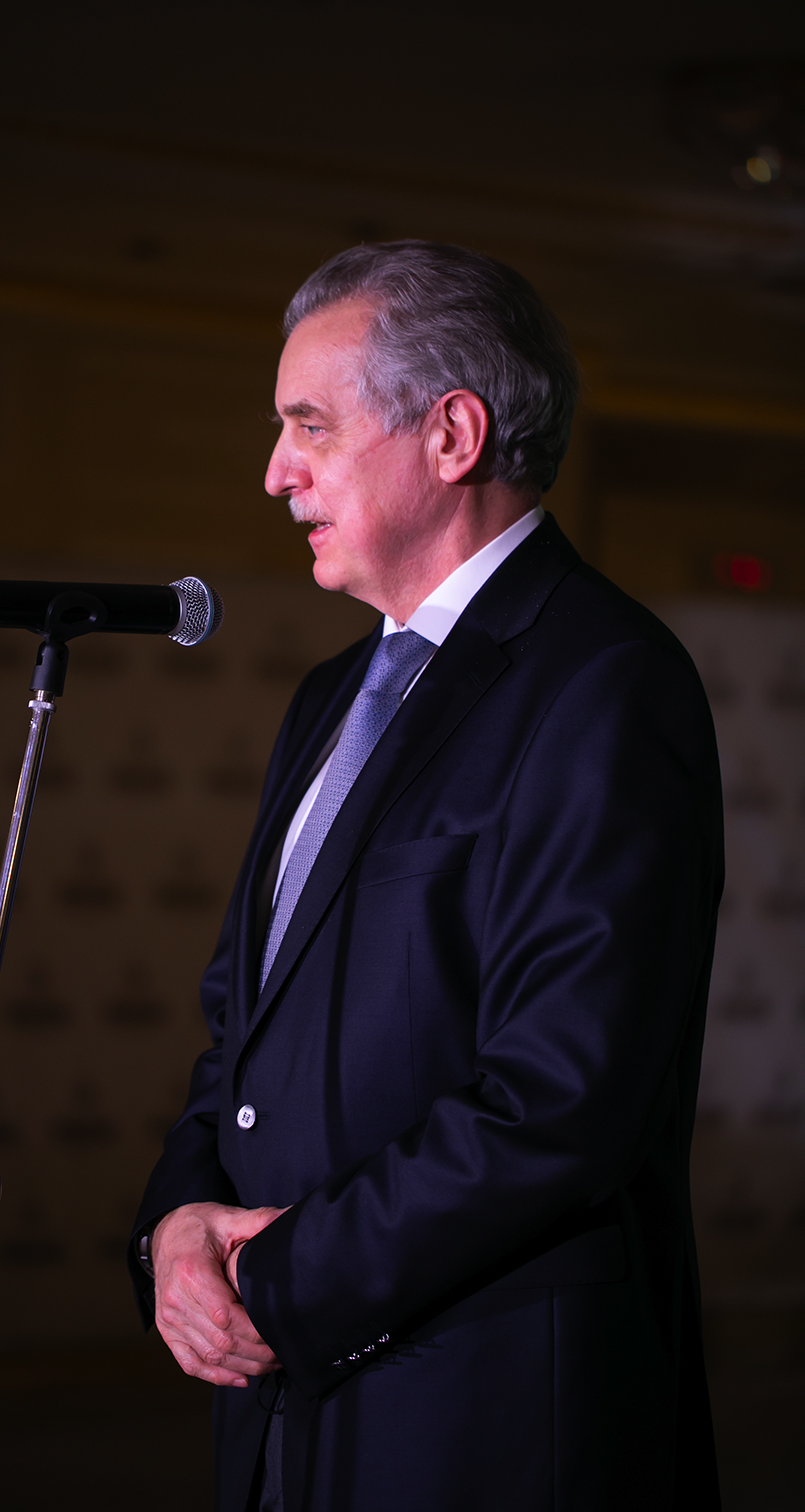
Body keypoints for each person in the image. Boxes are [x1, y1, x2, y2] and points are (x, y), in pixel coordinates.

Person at [129, 241, 724, 1511]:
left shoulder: (606, 684)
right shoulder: (328, 696)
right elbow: (243, 1030)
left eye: (311, 426)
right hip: (287, 1416)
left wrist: (277, 1283)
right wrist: (178, 1226)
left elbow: (562, 1098)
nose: (276, 471)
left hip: (487, 1424)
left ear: (451, 435)